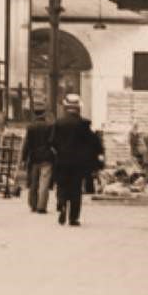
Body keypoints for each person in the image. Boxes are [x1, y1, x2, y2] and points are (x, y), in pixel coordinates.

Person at [49, 93, 95, 226]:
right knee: (76, 189)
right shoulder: (84, 124)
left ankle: (62, 204)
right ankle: (73, 218)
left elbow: (51, 142)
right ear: (78, 108)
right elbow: (90, 144)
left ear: (65, 107)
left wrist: (58, 154)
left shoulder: (58, 123)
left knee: (62, 185)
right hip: (78, 163)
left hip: (62, 161)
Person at [21, 107, 54, 214]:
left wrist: (24, 158)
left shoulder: (30, 127)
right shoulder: (49, 126)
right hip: (46, 157)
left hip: (34, 157)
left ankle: (33, 204)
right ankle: (42, 206)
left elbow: (27, 144)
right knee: (44, 182)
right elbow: (52, 142)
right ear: (44, 114)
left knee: (33, 182)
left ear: (34, 114)